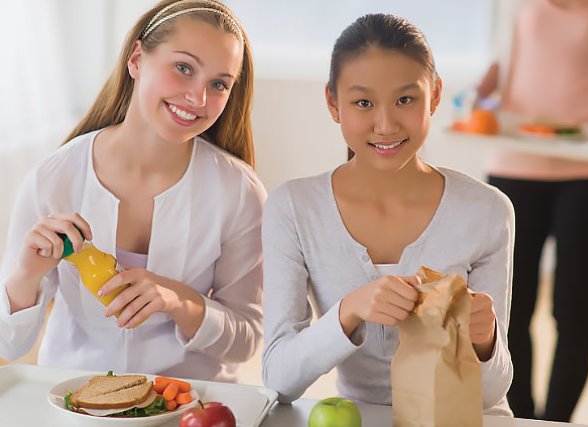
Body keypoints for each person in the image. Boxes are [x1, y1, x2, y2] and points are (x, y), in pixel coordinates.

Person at [261, 13, 515, 415]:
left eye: (405, 99)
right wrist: (349, 310)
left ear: (434, 96)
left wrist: (484, 342)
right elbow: (279, 380)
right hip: (361, 417)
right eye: (363, 102)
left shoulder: (486, 210)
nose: (385, 124)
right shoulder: (293, 208)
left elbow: (490, 393)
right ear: (333, 103)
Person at [0, 0, 266, 382]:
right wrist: (26, 274)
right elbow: (9, 345)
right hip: (76, 401)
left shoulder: (240, 193)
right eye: (183, 68)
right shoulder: (53, 179)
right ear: (137, 59)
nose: (198, 98)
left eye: (218, 84)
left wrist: (180, 302)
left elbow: (246, 341)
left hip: (190, 405)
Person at [476, 0, 588, 421]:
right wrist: (475, 97)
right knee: (507, 307)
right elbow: (502, 63)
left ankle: (557, 421)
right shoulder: (517, 4)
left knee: (574, 309)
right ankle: (521, 417)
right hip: (514, 164)